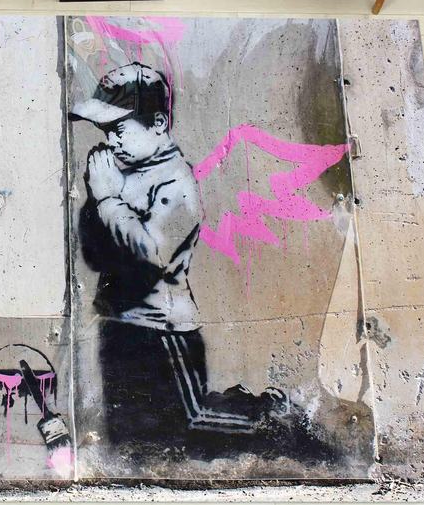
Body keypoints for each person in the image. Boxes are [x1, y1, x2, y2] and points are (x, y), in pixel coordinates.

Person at [70, 62, 288, 459]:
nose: (111, 142)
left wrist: (106, 199)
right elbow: (95, 255)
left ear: (157, 123)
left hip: (163, 332)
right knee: (134, 440)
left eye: (119, 129)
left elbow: (154, 253)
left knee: (188, 428)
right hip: (121, 327)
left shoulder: (177, 181)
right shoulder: (124, 176)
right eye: (105, 132)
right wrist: (99, 199)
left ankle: (271, 421)